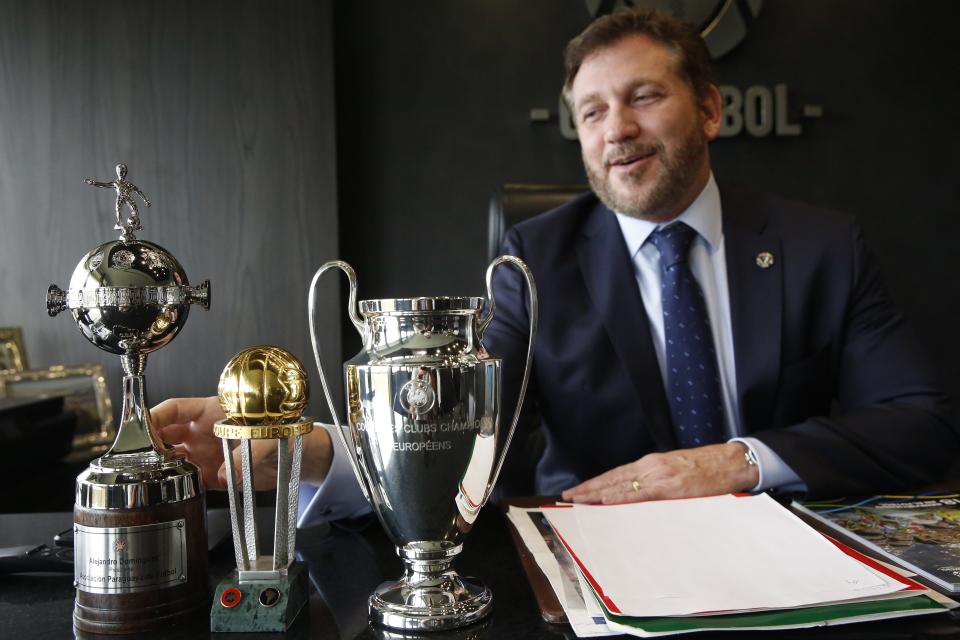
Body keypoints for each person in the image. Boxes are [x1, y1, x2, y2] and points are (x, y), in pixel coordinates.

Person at [151, 8, 958, 524]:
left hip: (792, 552)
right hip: (602, 561)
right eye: (594, 112)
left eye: (644, 97)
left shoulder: (823, 245)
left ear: (709, 109)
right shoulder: (535, 259)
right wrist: (310, 449)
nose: (619, 131)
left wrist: (740, 461)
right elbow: (472, 418)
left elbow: (921, 422)